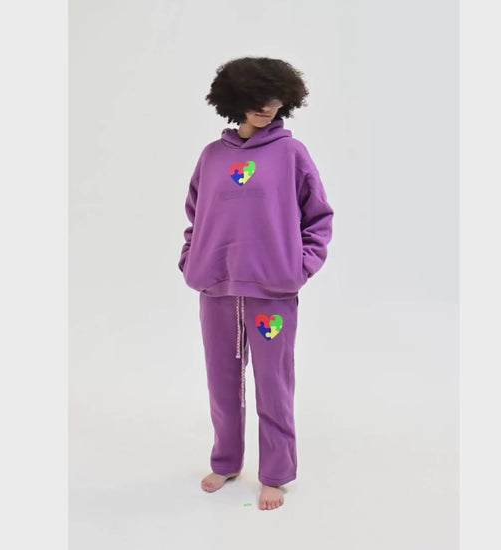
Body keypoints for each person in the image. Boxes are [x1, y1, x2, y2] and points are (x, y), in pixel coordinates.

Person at [178, 56, 334, 510]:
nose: (267, 107)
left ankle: (276, 473)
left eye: (276, 99)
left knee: (274, 384)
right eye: (256, 99)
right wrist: (192, 259)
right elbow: (195, 215)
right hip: (217, 288)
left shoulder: (291, 153)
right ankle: (226, 461)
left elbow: (318, 217)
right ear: (234, 101)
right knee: (222, 382)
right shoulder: (212, 156)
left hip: (273, 290)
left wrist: (300, 266)